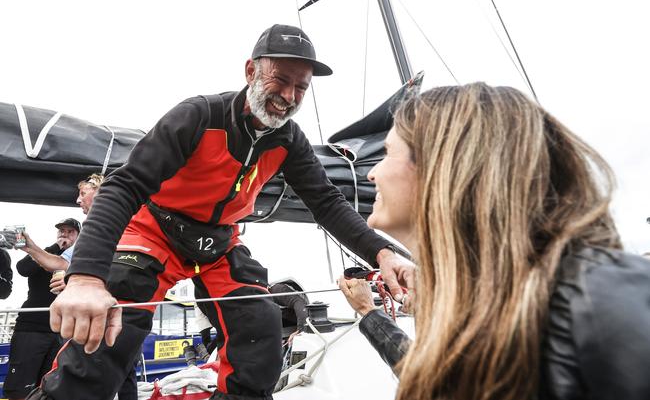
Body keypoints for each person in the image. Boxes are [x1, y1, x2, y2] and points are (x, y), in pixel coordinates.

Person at [32, 24, 414, 400]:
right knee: (117, 317)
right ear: (250, 71)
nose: (289, 95)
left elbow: (327, 203)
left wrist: (381, 253)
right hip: (155, 231)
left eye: (301, 87)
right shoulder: (198, 116)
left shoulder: (290, 141)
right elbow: (123, 185)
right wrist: (85, 277)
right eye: (280, 79)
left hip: (219, 241)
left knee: (260, 324)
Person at [339, 83, 650, 400]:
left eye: (388, 153)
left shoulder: (598, 297)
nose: (371, 173)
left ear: (444, 165)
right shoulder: (477, 305)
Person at [4, 219, 79, 400]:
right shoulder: (44, 253)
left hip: (60, 331)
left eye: (70, 232)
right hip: (32, 327)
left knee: (49, 385)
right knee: (20, 386)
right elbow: (23, 268)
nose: (64, 235)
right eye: (61, 231)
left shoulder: (79, 262)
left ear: (78, 236)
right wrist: (55, 247)